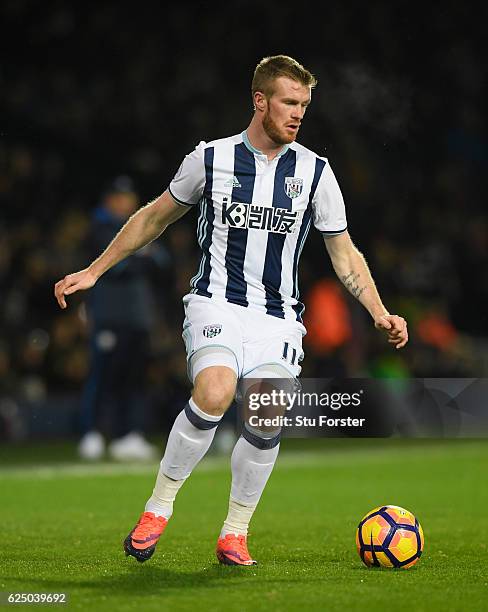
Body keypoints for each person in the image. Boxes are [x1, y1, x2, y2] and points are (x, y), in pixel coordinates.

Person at [54, 55, 408, 566]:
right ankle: (159, 507)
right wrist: (94, 270)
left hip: (278, 317)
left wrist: (378, 310)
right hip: (215, 302)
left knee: (265, 417)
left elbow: (343, 251)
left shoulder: (314, 172)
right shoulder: (211, 159)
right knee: (215, 391)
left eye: (304, 105)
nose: (297, 114)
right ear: (259, 101)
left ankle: (234, 532)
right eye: (289, 102)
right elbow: (155, 216)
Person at [78, 175, 163, 461]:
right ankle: (91, 433)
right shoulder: (99, 229)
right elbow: (119, 269)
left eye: (129, 197)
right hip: (108, 316)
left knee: (133, 378)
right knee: (103, 376)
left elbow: (161, 264)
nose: (125, 202)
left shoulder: (142, 227)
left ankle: (127, 434)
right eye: (120, 197)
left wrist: (139, 258)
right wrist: (140, 257)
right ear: (109, 200)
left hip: (137, 317)